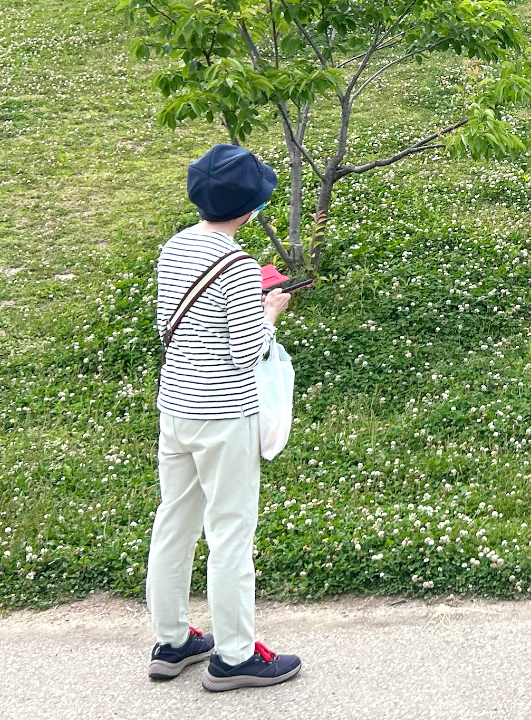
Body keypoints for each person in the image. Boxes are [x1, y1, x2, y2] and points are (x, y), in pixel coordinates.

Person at [145, 143, 302, 691]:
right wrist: (271, 310)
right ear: (250, 209)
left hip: (177, 407)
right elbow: (245, 348)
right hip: (224, 412)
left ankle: (171, 640)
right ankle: (234, 657)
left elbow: (178, 323)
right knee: (230, 532)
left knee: (175, 523)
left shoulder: (174, 248)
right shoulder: (235, 265)